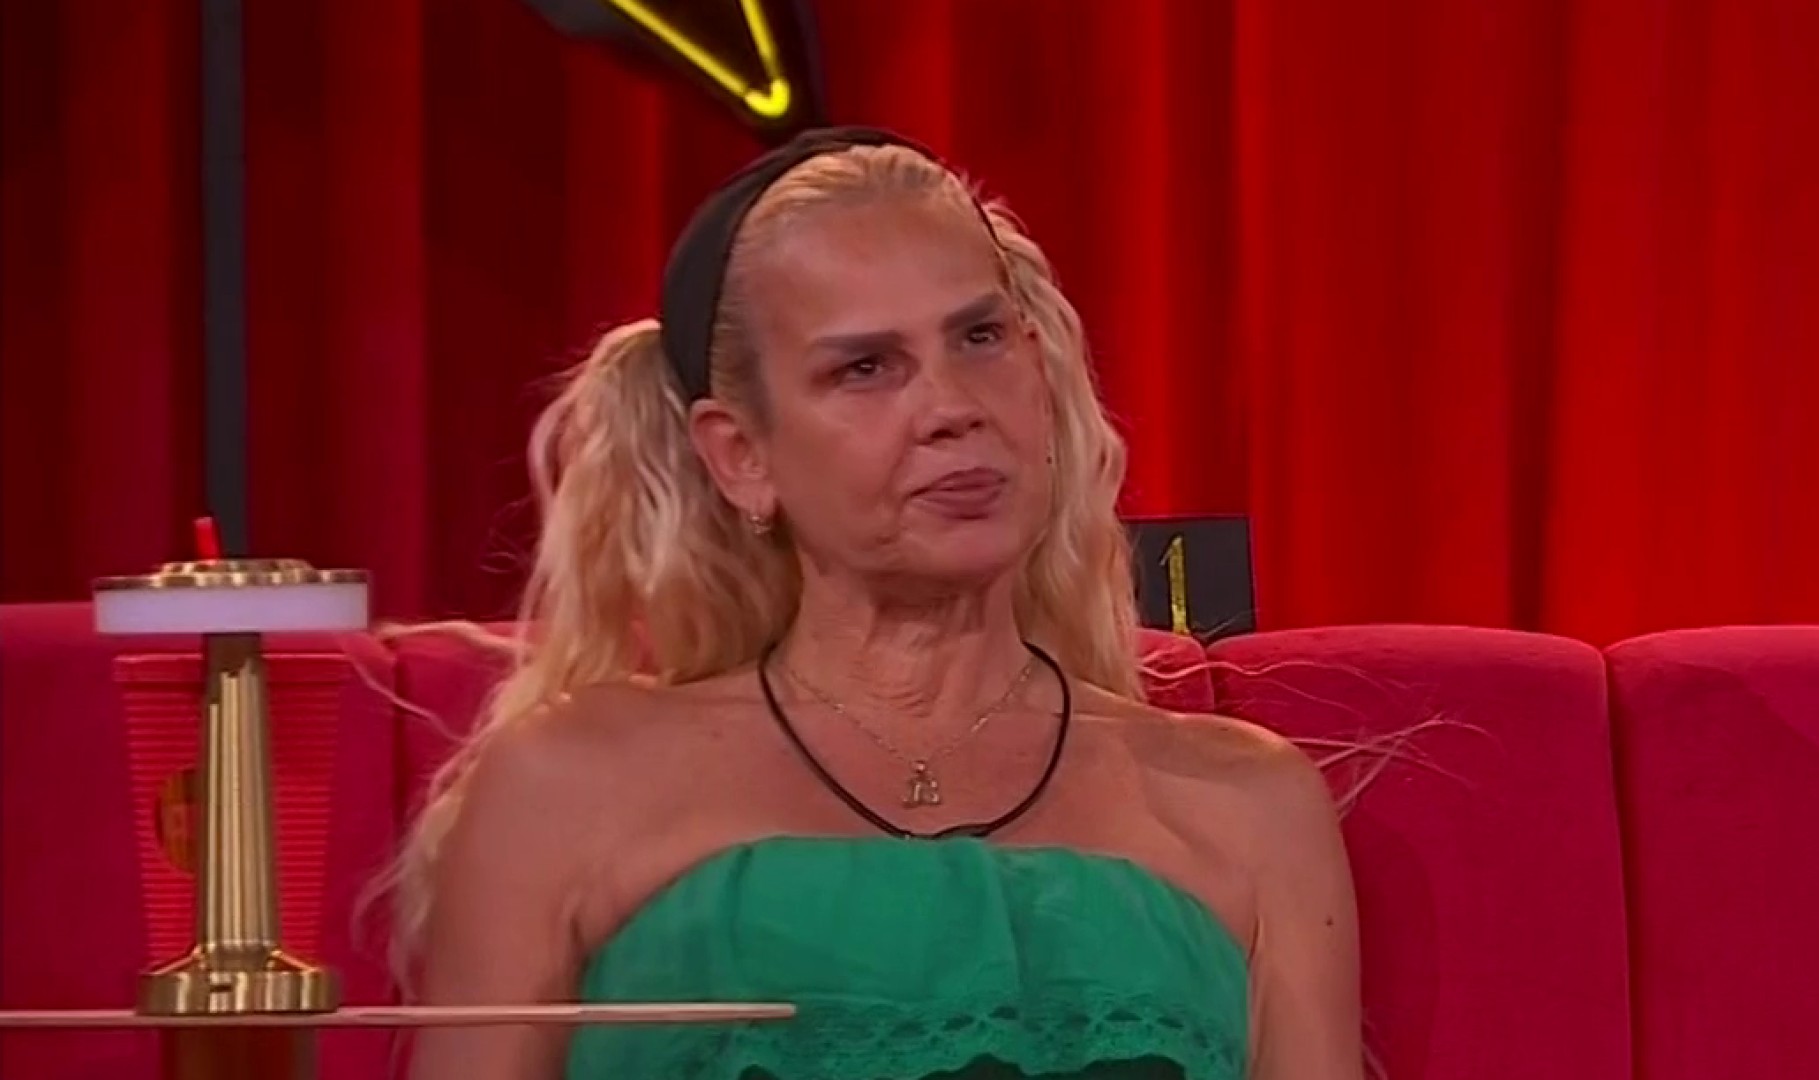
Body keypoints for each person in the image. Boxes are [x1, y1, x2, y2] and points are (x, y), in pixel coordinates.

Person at [397, 126, 1361, 1080]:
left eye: (980, 338)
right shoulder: (565, 787)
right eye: (865, 368)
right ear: (741, 456)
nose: (953, 407)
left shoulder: (1249, 809)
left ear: (1038, 372)